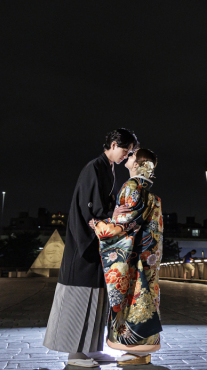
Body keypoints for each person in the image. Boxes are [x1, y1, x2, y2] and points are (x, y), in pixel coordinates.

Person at [43, 128, 138, 368]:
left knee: (98, 297)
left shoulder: (108, 168)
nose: (126, 155)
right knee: (79, 297)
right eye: (125, 150)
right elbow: (91, 209)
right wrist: (112, 214)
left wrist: (111, 214)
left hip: (97, 242)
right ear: (113, 144)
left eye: (129, 152)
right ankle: (75, 355)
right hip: (84, 244)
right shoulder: (94, 168)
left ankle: (92, 350)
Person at [91, 148, 163, 366]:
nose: (128, 156)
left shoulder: (132, 187)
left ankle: (135, 350)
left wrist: (99, 224)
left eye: (132, 155)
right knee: (147, 297)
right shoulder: (148, 192)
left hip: (135, 256)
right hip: (148, 254)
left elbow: (124, 223)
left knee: (133, 297)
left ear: (138, 164)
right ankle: (143, 351)